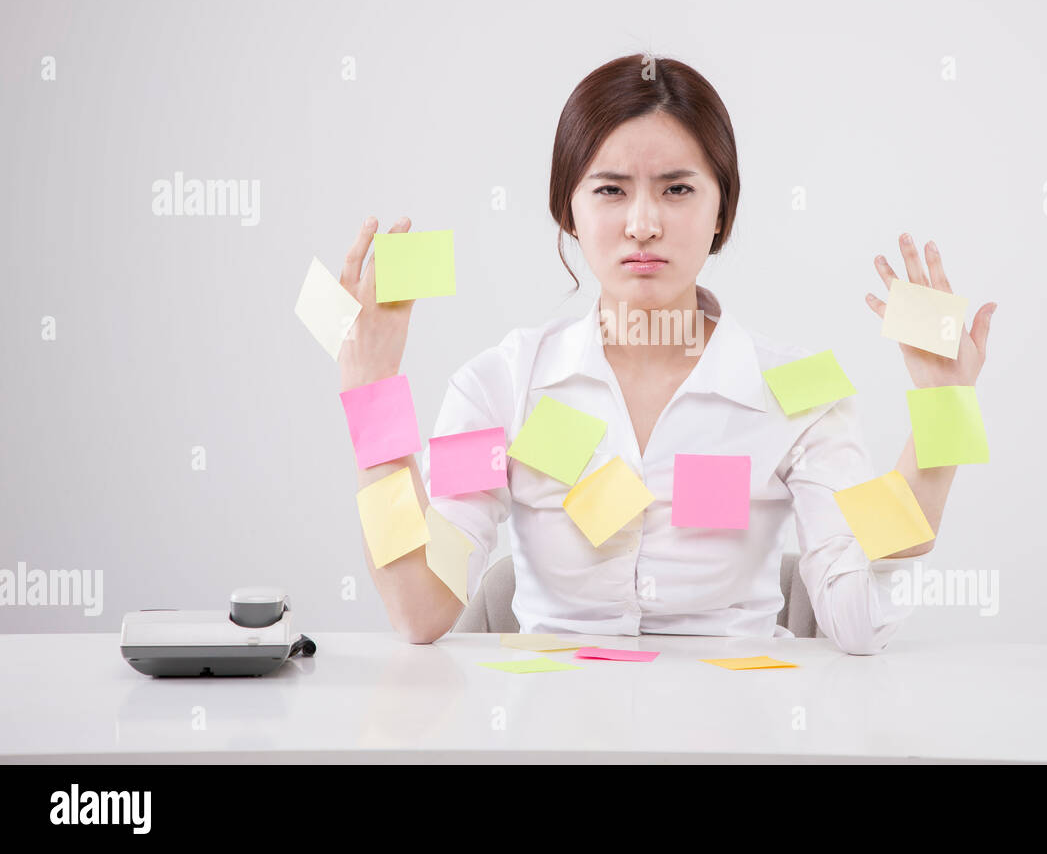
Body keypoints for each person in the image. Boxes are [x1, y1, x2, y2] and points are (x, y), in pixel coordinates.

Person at [338, 55, 995, 653]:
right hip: (552, 729)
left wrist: (945, 416)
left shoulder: (801, 388)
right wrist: (372, 391)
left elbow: (856, 621)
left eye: (677, 189)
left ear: (720, 212)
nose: (643, 223)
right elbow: (419, 609)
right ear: (568, 210)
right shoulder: (504, 383)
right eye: (610, 190)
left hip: (739, 731)